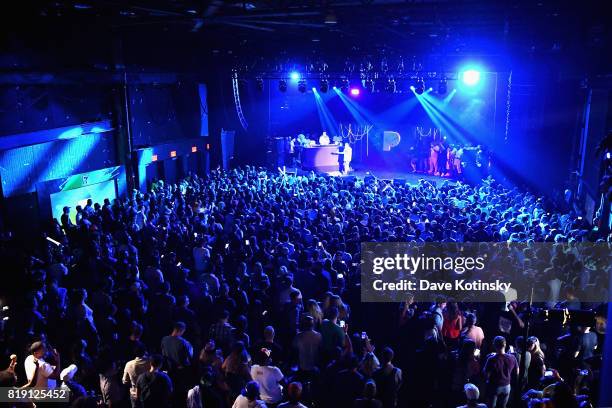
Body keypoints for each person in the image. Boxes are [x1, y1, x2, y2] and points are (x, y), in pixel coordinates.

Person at [483, 336, 518, 408]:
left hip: (495, 386)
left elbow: (486, 374)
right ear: (505, 345)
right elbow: (517, 372)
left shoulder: (491, 359)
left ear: (494, 345)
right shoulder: (512, 357)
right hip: (507, 386)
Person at [123, 343, 150, 408]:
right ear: (144, 351)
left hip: (134, 393)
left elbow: (125, 381)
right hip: (148, 393)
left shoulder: (128, 364)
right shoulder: (150, 362)